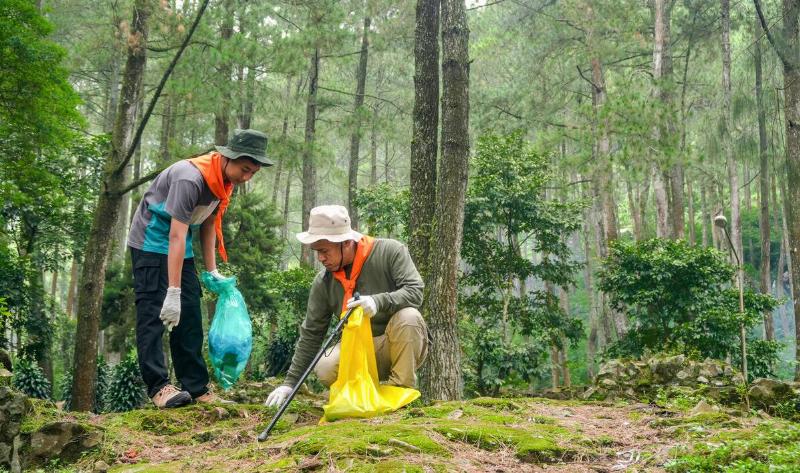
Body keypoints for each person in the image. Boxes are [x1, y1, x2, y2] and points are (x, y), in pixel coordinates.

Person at [127, 129, 272, 408]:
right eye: (244, 169)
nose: (246, 178)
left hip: (180, 246)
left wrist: (212, 270)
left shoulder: (222, 182)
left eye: (253, 173)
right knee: (153, 315)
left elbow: (208, 224)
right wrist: (171, 290)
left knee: (191, 312)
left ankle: (195, 387)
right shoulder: (190, 178)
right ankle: (158, 388)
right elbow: (176, 235)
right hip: (151, 242)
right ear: (229, 157)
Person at [265, 205, 429, 407]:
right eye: (317, 252)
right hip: (358, 349)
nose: (321, 258)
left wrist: (378, 301)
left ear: (347, 242)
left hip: (396, 342)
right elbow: (312, 334)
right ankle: (359, 397)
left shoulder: (389, 251)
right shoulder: (324, 282)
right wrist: (290, 384)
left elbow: (415, 291)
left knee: (409, 317)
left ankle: (399, 396)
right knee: (325, 367)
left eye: (325, 251)